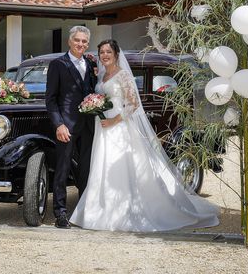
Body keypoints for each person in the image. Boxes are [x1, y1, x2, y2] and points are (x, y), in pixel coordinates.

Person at [70, 39, 219, 231]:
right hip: (102, 127)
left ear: (116, 54)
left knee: (118, 167)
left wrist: (113, 120)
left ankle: (121, 212)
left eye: (108, 52)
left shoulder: (123, 75)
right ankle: (99, 211)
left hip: (118, 127)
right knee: (101, 166)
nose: (105, 55)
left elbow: (133, 104)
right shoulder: (103, 77)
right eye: (102, 53)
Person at [45, 26, 97, 229]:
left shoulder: (90, 63)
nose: (81, 44)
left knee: (85, 170)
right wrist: (58, 124)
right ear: (69, 41)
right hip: (66, 125)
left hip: (88, 125)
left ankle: (84, 211)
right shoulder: (58, 64)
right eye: (77, 40)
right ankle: (60, 213)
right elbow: (50, 99)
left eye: (84, 41)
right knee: (62, 169)